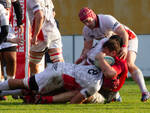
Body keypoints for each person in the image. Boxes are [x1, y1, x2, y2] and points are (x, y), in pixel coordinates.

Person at [0, 37, 127, 104]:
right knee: (26, 85)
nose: (101, 55)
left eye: (104, 53)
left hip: (60, 71)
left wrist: (100, 59)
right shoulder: (96, 80)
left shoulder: (101, 66)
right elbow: (75, 100)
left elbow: (109, 72)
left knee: (30, 87)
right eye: (101, 53)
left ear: (113, 53)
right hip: (58, 75)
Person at [76, 7, 149, 102]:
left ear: (93, 16)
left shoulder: (106, 19)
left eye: (88, 21)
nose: (87, 24)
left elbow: (124, 34)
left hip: (127, 39)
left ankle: (145, 91)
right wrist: (82, 57)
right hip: (112, 44)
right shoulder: (86, 30)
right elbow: (87, 48)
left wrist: (124, 47)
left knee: (128, 64)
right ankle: (115, 95)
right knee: (103, 66)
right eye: (84, 22)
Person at [27, 0, 64, 75]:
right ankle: (63, 84)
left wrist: (35, 35)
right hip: (54, 31)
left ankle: (36, 84)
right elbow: (53, 13)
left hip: (42, 34)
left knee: (33, 63)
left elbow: (40, 16)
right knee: (59, 62)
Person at [0, 0, 23, 81]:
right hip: (4, 30)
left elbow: (16, 3)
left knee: (11, 59)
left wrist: (19, 22)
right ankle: (2, 87)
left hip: (6, 25)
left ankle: (10, 83)